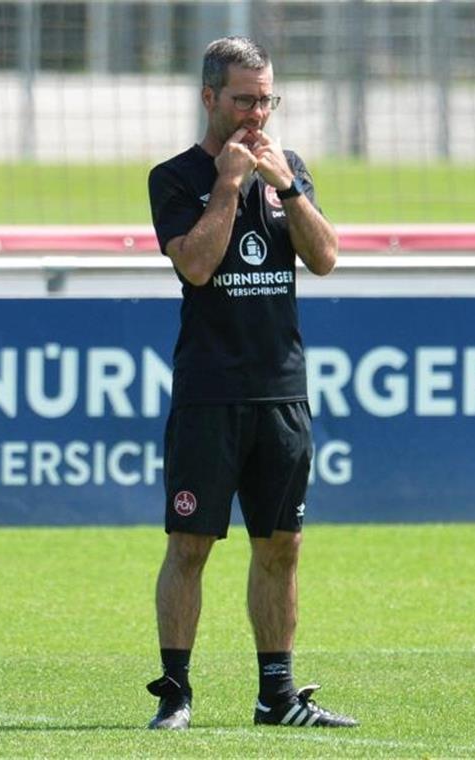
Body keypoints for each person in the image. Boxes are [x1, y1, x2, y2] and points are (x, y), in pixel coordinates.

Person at [143, 36, 358, 731]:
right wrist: (231, 184)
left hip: (281, 393)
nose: (256, 113)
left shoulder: (287, 169)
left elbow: (324, 258)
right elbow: (196, 268)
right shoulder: (174, 178)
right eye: (243, 99)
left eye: (266, 99)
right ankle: (175, 694)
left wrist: (284, 187)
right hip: (209, 393)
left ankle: (278, 697)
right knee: (190, 544)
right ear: (210, 99)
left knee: (282, 546)